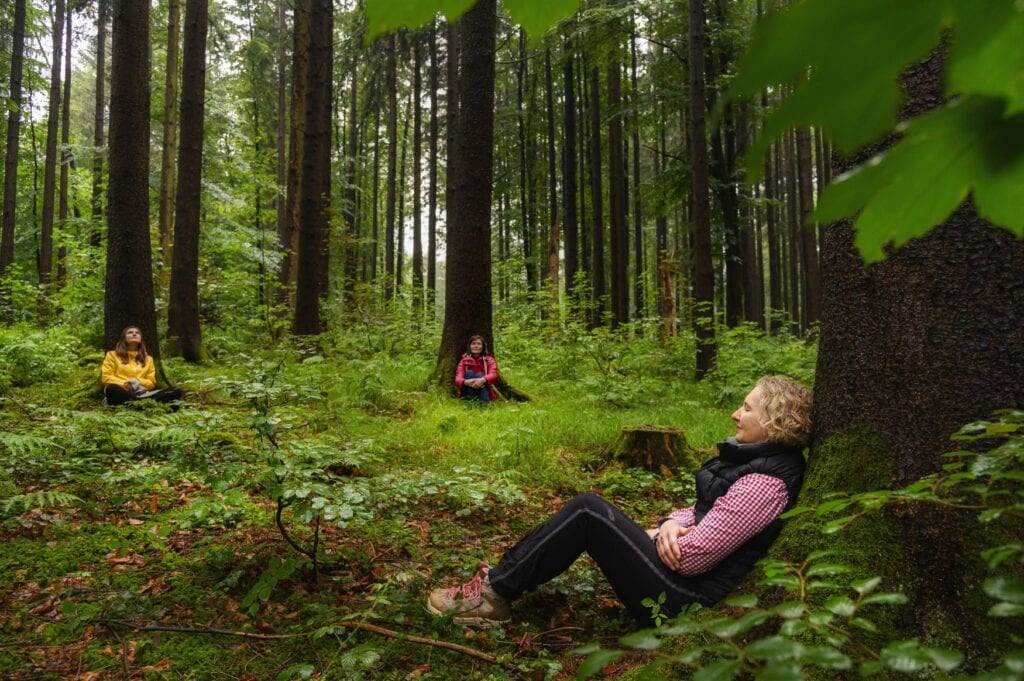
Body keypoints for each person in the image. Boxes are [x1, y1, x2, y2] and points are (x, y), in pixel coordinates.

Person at [427, 375, 813, 627]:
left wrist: (668, 530)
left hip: (688, 602)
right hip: (678, 581)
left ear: (776, 421)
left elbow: (694, 557)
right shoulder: (755, 463)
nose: (735, 413)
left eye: (747, 408)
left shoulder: (766, 481)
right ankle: (498, 586)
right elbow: (702, 513)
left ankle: (493, 596)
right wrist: (671, 523)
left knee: (588, 512)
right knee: (589, 511)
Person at [100, 326, 182, 406]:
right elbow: (106, 377)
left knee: (175, 390)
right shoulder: (112, 355)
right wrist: (126, 384)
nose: (134, 334)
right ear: (124, 338)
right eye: (130, 332)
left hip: (142, 394)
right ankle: (141, 404)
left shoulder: (148, 359)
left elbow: (151, 382)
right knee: (112, 388)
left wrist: (135, 382)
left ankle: (136, 403)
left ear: (141, 339)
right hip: (121, 392)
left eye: (137, 333)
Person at [454, 335, 499, 404]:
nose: (476, 346)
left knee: (479, 374)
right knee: (469, 373)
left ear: (483, 347)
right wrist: (466, 382)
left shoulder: (489, 359)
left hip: (484, 386)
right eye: (473, 344)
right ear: (470, 346)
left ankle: (482, 402)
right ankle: (470, 402)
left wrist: (482, 380)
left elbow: (493, 374)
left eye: (479, 344)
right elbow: (457, 379)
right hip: (468, 388)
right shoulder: (464, 361)